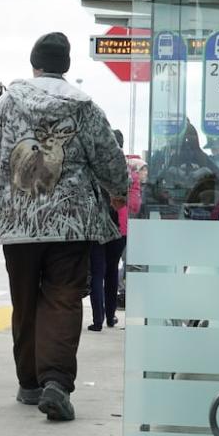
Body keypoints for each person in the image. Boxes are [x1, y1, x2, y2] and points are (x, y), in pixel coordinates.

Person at [0, 32, 128, 421]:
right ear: (67, 66)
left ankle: (29, 383)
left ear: (34, 63)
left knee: (24, 300)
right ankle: (57, 381)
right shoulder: (85, 107)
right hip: (70, 223)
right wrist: (118, 191)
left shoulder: (6, 104)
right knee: (63, 298)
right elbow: (110, 160)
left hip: (18, 222)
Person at [88, 130, 134, 331]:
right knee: (112, 271)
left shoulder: (93, 165)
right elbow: (130, 194)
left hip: (95, 226)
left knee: (97, 272)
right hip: (117, 227)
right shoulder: (123, 167)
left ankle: (97, 320)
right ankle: (110, 316)